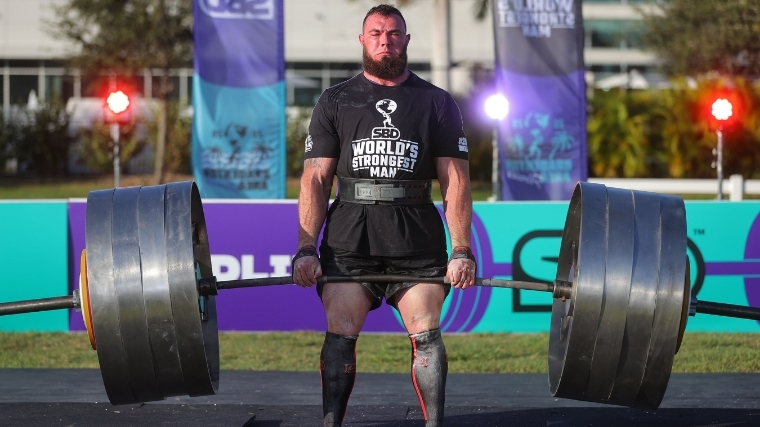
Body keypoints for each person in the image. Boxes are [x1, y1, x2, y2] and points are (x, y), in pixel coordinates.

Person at [292, 5, 476, 427]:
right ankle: (330, 423)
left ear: (406, 40)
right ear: (362, 40)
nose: (385, 40)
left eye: (394, 33)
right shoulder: (334, 100)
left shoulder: (438, 102)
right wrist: (305, 248)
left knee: (426, 332)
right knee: (340, 330)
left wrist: (461, 249)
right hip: (349, 240)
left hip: (416, 238)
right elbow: (315, 180)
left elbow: (457, 182)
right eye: (376, 33)